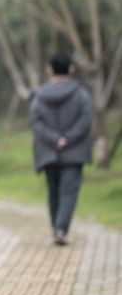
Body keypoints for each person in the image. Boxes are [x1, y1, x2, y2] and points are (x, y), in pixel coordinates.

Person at [29, 53, 92, 246]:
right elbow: (85, 119)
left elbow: (36, 122)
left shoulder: (39, 96)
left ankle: (56, 227)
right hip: (74, 151)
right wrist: (68, 138)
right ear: (71, 69)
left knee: (53, 191)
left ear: (49, 70)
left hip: (48, 151)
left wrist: (54, 139)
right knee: (68, 192)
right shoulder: (81, 94)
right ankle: (61, 228)